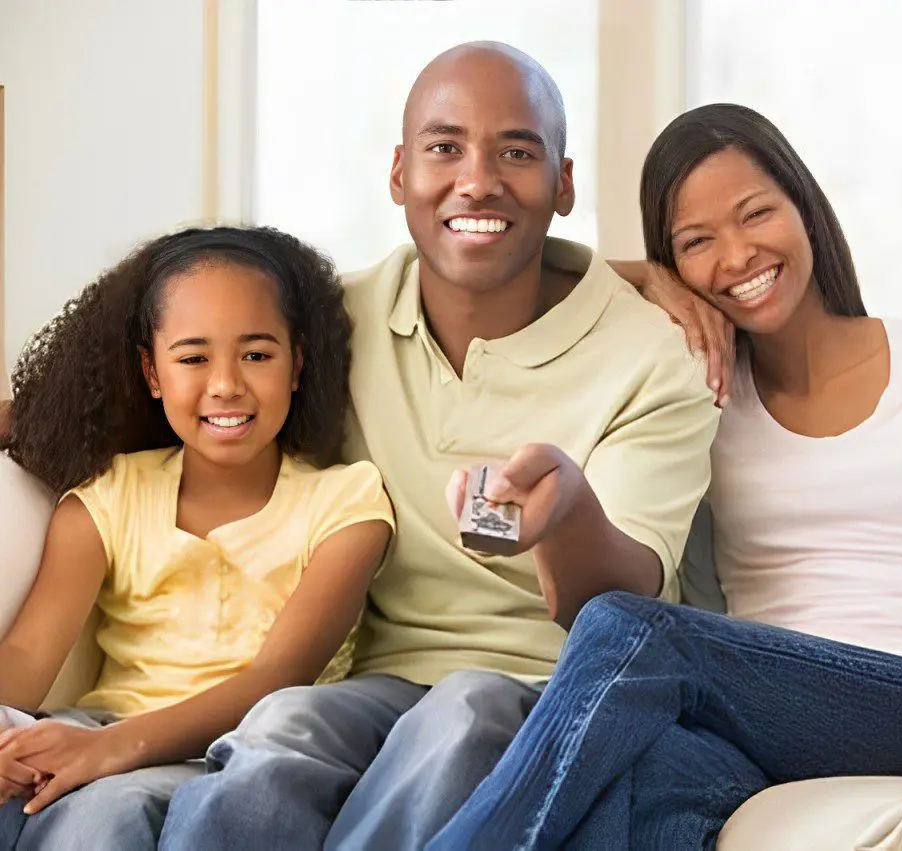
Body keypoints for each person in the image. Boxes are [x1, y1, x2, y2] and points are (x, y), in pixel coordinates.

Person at [156, 43, 719, 851]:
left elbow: (626, 599)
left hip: (550, 688)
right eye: (445, 147)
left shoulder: (653, 358)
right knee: (282, 722)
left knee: (464, 712)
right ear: (399, 174)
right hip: (378, 682)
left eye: (516, 152)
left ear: (563, 184)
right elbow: (186, 379)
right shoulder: (334, 323)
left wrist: (564, 513)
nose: (478, 178)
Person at [426, 102, 902, 850]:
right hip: (774, 720)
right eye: (696, 242)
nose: (738, 255)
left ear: (804, 207)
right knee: (638, 783)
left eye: (755, 214)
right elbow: (529, 268)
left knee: (628, 628)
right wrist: (649, 279)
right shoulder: (700, 393)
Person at [0, 226, 395, 850]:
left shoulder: (347, 501)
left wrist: (111, 749)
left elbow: (281, 675)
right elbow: (25, 659)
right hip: (100, 736)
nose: (226, 384)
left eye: (257, 354)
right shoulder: (106, 498)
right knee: (90, 814)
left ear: (298, 365)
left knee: (147, 808)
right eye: (192, 358)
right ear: (151, 373)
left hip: (255, 753)